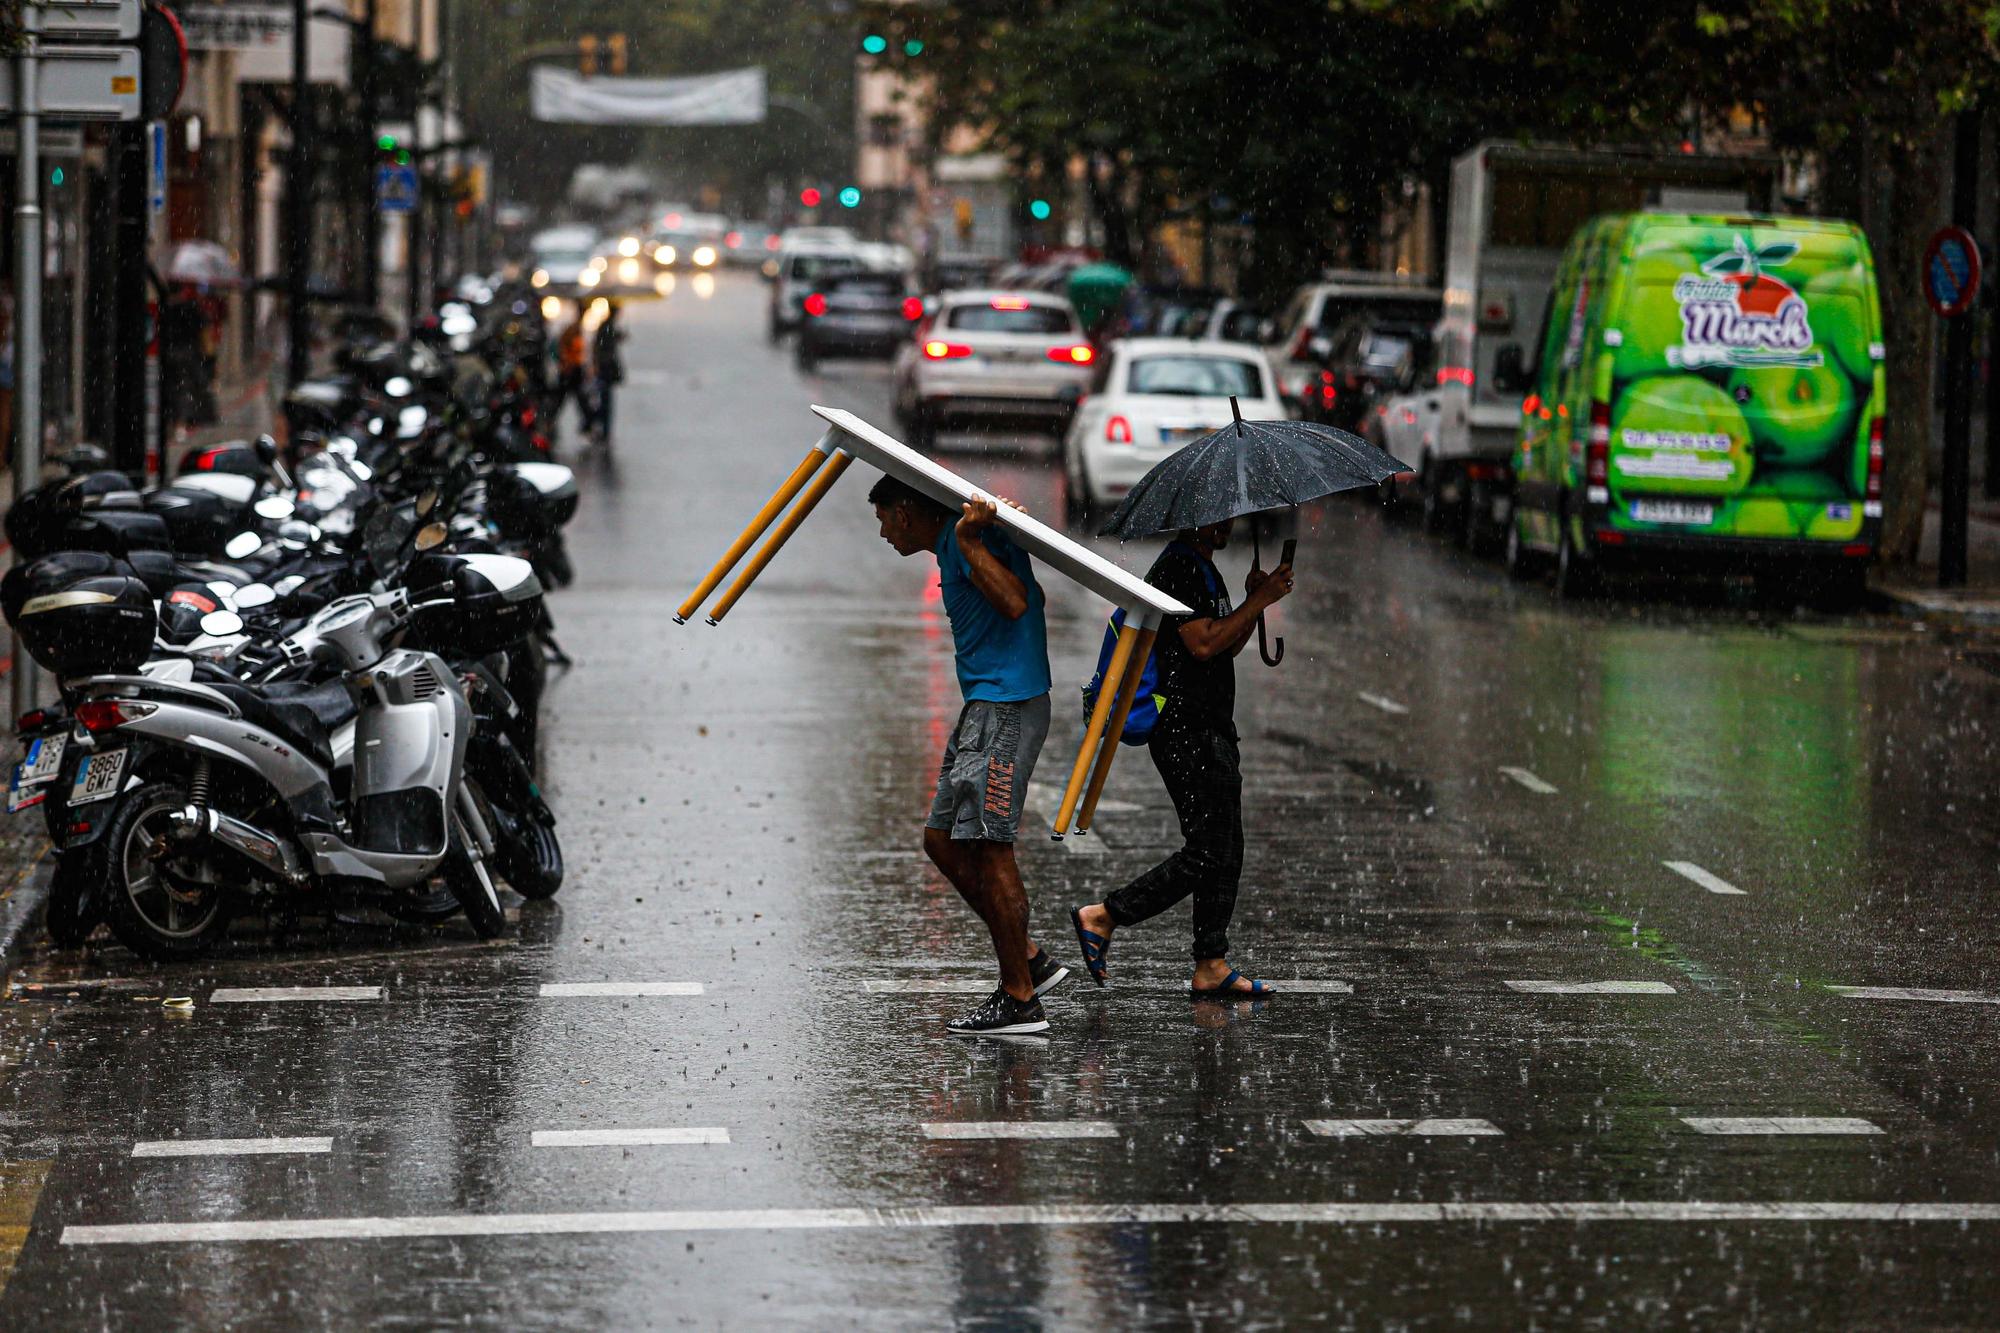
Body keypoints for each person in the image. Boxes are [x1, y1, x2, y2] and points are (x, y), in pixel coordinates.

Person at [870, 475, 1069, 1036]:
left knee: (989, 846)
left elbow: (1016, 602)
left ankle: (1019, 998)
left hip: (1006, 707)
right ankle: (1027, 958)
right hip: (985, 705)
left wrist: (975, 542)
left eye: (885, 520)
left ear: (906, 513)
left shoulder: (965, 540)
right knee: (941, 840)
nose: (884, 534)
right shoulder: (961, 539)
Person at [1070, 519, 1293, 998]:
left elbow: (1224, 645)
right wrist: (1259, 600)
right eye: (1219, 516)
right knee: (1209, 849)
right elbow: (1202, 643)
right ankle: (1105, 915)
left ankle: (1211, 961)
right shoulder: (1178, 568)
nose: (1228, 524)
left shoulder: (1205, 571)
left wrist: (1253, 604)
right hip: (1185, 730)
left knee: (1227, 847)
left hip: (1211, 727)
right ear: (1194, 518)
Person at [585, 302, 625, 444]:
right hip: (605, 369)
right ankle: (598, 428)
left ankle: (597, 427)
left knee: (604, 401)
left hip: (605, 369)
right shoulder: (606, 327)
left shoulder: (607, 327)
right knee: (604, 402)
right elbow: (600, 347)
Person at [551, 313, 591, 437]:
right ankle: (587, 425)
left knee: (567, 400)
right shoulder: (571, 339)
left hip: (572, 372)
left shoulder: (570, 338)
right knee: (575, 400)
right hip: (572, 372)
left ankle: (550, 421)